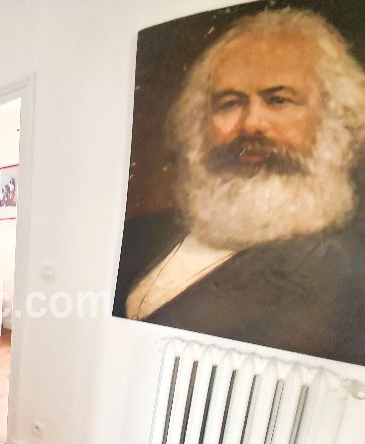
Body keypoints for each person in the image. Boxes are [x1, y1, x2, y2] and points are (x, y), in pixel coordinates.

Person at [113, 8, 365, 365]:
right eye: (229, 103)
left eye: (279, 100)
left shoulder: (345, 278)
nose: (252, 124)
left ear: (332, 115)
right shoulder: (140, 232)